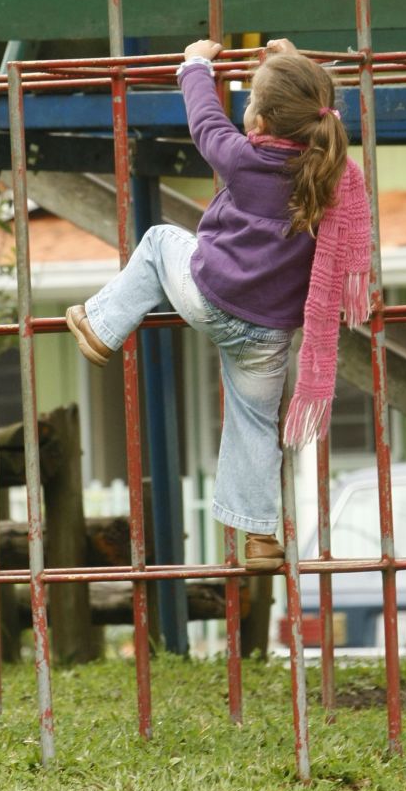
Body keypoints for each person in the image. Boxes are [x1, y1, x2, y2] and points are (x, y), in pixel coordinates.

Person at [65, 38, 371, 572]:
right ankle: (260, 540)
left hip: (211, 298)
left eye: (251, 102)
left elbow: (205, 121)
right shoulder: (330, 173)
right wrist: (293, 62)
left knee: (160, 240)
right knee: (253, 424)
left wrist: (195, 65)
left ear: (258, 123)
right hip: (272, 334)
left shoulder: (245, 159)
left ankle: (101, 326)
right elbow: (312, 108)